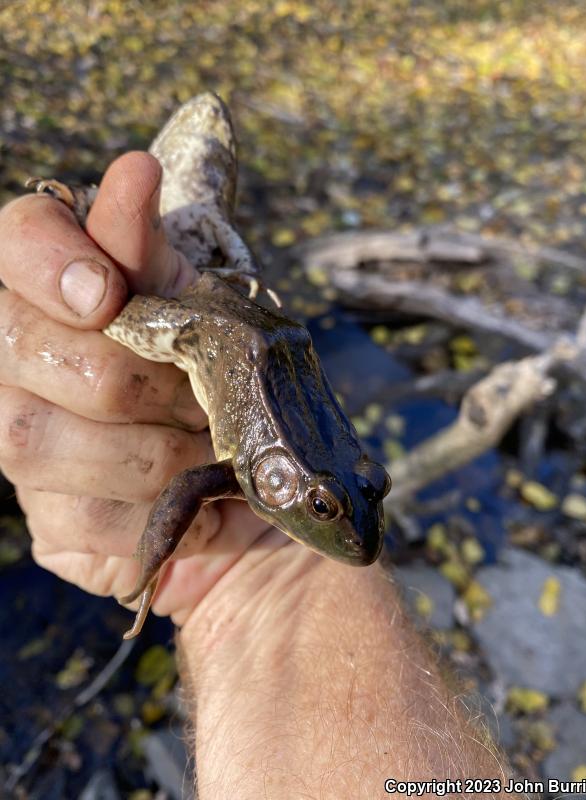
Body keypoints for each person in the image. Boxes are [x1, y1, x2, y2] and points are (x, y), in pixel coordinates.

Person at [0, 152, 525, 799]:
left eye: (365, 493)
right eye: (327, 507)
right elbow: (187, 486)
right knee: (106, 311)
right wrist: (152, 568)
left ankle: (86, 213)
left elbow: (198, 484)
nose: (359, 528)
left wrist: (217, 576)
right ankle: (81, 208)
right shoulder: (259, 475)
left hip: (250, 318)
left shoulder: (274, 479)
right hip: (208, 327)